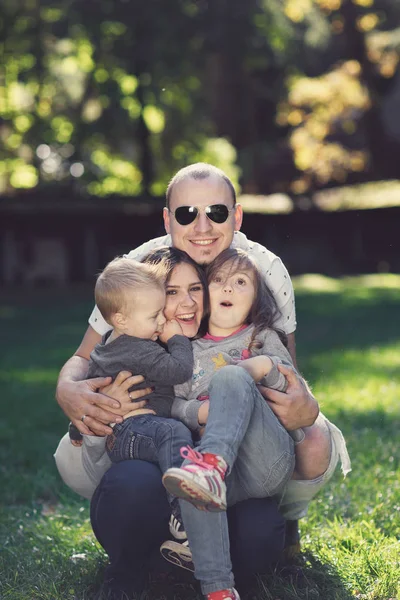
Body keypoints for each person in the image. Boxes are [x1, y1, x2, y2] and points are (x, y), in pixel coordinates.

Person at [54, 163, 350, 599]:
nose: (203, 225)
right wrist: (67, 389)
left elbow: (286, 364)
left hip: (237, 440)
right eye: (187, 213)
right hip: (163, 433)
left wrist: (304, 403)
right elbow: (84, 357)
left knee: (304, 451)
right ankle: (147, 553)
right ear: (167, 218)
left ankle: (282, 529)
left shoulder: (262, 267)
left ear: (237, 216)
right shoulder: (139, 267)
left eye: (216, 210)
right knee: (131, 472)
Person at [159, 247, 307, 599]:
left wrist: (262, 367)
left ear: (257, 298)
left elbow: (291, 385)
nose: (227, 289)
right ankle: (218, 589)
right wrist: (198, 413)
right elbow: (169, 403)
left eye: (241, 282)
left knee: (230, 378)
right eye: (219, 281)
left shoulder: (262, 337)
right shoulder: (187, 351)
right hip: (224, 476)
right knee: (194, 486)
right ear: (206, 295)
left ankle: (211, 465)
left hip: (264, 460)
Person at [67, 255, 198, 540]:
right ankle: (185, 510)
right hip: (135, 431)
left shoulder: (107, 344)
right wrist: (177, 340)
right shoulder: (140, 348)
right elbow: (179, 370)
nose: (163, 321)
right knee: (174, 433)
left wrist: (78, 425)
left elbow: (94, 381)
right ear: (122, 320)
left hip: (122, 438)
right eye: (154, 316)